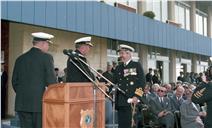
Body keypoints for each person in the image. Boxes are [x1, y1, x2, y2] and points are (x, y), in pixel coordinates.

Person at [12, 32, 57, 128]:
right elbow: (52, 82)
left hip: (22, 104)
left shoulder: (20, 59)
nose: (48, 47)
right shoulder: (47, 58)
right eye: (48, 44)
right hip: (39, 105)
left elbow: (14, 82)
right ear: (42, 44)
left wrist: (24, 93)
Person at [113, 44, 146, 128]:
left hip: (132, 101)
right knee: (122, 125)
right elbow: (113, 83)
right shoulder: (118, 68)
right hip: (121, 102)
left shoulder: (136, 65)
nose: (121, 56)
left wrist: (137, 96)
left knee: (131, 125)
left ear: (129, 54)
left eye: (122, 53)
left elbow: (142, 83)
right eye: (120, 53)